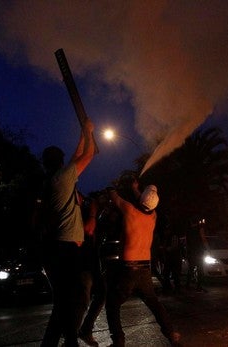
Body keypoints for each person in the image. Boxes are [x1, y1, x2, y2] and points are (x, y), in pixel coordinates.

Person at [39, 117, 96, 347]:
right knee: (69, 301)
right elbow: (88, 156)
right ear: (59, 162)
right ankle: (69, 341)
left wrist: (83, 134)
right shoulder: (61, 179)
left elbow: (76, 158)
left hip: (60, 247)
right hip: (65, 248)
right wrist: (91, 133)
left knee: (64, 302)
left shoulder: (57, 178)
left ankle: (66, 342)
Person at [104, 180, 182, 347]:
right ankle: (171, 334)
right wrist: (135, 189)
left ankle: (118, 340)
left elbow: (113, 196)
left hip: (128, 268)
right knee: (154, 303)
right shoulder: (153, 216)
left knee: (112, 304)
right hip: (145, 269)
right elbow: (145, 203)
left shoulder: (129, 210)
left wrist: (112, 187)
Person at [77, 191, 104, 347]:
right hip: (82, 263)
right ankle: (72, 334)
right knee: (82, 300)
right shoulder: (78, 214)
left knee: (101, 294)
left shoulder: (89, 213)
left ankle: (85, 329)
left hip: (93, 262)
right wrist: (93, 213)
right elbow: (88, 230)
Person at [185, 222, 207, 292]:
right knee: (200, 269)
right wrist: (207, 248)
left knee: (191, 269)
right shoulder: (199, 229)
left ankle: (187, 285)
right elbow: (203, 239)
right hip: (198, 251)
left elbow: (187, 242)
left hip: (191, 252)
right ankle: (199, 286)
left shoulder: (188, 230)